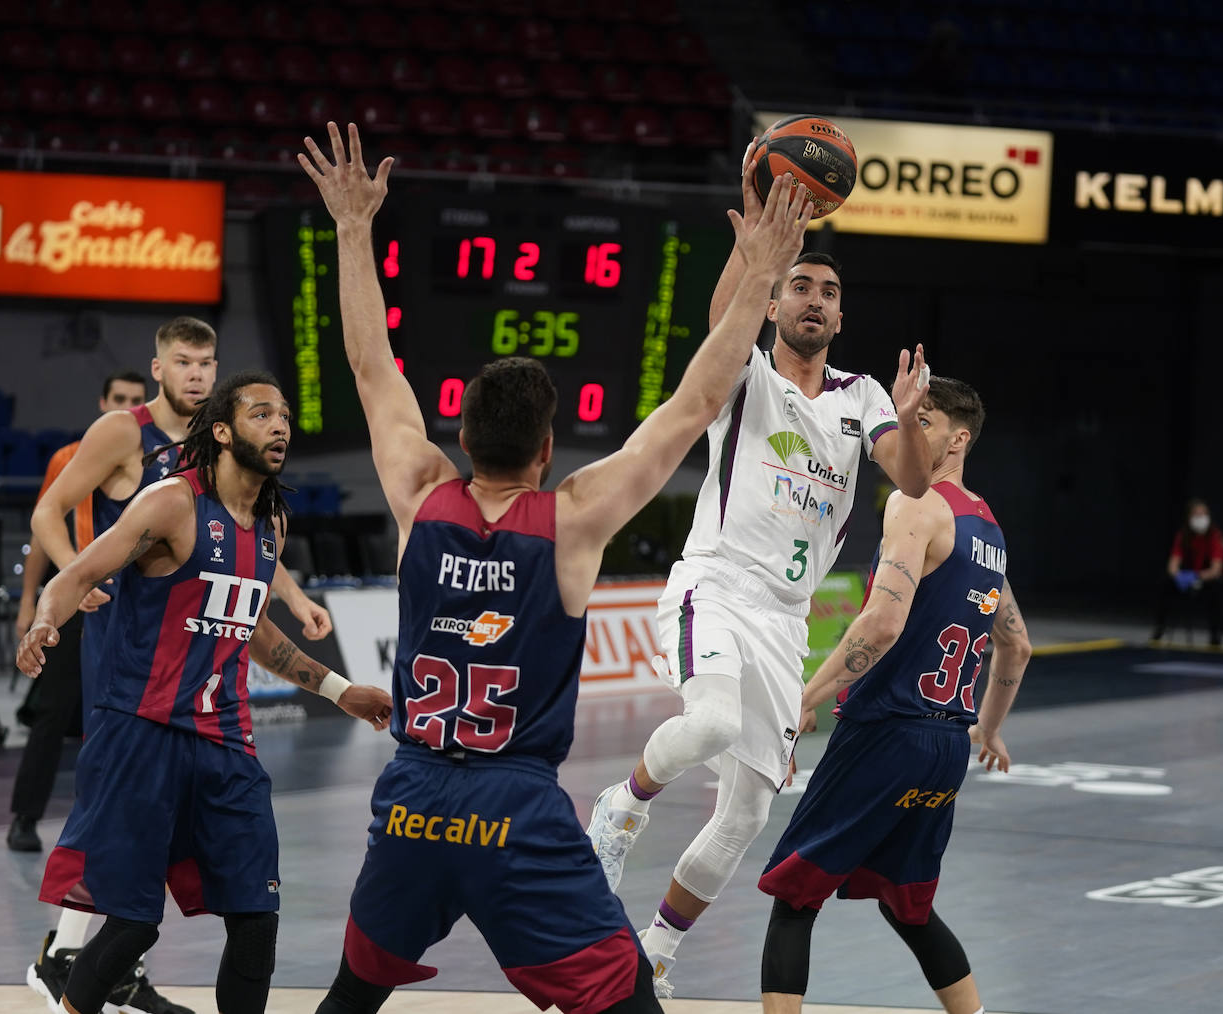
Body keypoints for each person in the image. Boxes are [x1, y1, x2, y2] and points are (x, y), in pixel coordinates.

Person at [296, 121, 813, 1014]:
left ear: (458, 437)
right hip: (515, 812)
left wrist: (351, 228)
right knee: (624, 1003)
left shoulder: (421, 494)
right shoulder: (571, 520)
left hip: (414, 797)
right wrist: (761, 267)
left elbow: (368, 365)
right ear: (547, 450)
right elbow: (696, 402)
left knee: (351, 997)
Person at [585, 140, 935, 996]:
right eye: (801, 288)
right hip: (716, 581)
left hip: (785, 619)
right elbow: (722, 322)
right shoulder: (741, 368)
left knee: (746, 813)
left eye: (829, 293)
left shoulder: (865, 399)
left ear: (842, 317)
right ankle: (622, 804)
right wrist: (755, 247)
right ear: (775, 302)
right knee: (703, 727)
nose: (816, 301)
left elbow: (916, 481)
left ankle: (655, 957)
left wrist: (915, 420)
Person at [18, 370, 393, 1014]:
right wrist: (48, 615)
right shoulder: (171, 503)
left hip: (226, 742)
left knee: (256, 915)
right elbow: (76, 572)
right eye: (261, 414)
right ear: (221, 430)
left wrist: (338, 690)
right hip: (144, 733)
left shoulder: (272, 519)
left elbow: (254, 627)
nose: (280, 426)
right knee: (134, 923)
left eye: (285, 416)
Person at [756, 376, 1032, 1014]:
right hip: (945, 748)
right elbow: (1016, 645)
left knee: (793, 898)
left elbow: (882, 621)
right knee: (909, 906)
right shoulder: (987, 527)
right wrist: (986, 730)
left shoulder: (916, 505)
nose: (910, 427)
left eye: (925, 419)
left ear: (959, 438)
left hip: (886, 733)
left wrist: (811, 695)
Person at [7, 369, 148, 853]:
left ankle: (120, 823)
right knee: (53, 709)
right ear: (101, 400)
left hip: (121, 598)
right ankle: (25, 817)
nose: (124, 407)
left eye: (134, 401)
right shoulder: (69, 459)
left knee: (124, 713)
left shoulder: (148, 457)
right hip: (72, 595)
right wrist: (30, 601)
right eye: (118, 399)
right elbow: (43, 526)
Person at [1151, 498, 1223, 646]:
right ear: (1189, 517)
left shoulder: (1214, 536)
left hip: (1205, 579)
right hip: (1185, 579)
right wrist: (1180, 576)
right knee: (1165, 584)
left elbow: (1216, 569)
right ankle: (1159, 629)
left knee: (1218, 589)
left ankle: (1215, 636)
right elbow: (1173, 564)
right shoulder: (1183, 535)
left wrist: (1198, 577)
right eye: (1197, 515)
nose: (1201, 519)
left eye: (1203, 515)